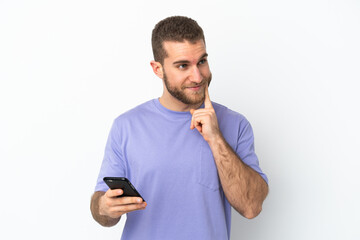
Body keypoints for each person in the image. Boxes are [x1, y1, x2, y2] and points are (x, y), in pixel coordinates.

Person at [90, 16, 268, 240]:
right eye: (183, 65)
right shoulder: (126, 126)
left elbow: (252, 207)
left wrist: (216, 139)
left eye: (202, 61)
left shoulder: (236, 124)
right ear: (158, 69)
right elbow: (101, 211)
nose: (198, 76)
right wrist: (104, 207)